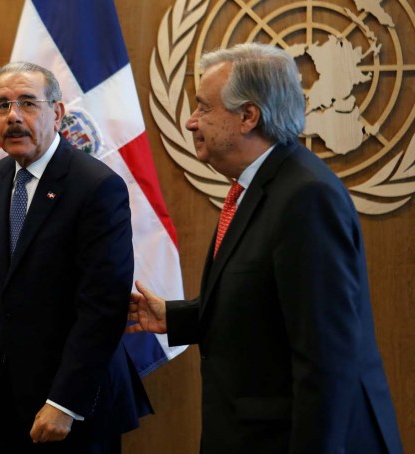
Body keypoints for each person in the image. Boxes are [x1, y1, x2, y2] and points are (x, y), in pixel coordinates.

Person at [126, 43, 403, 453]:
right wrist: (178, 317)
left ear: (248, 116)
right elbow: (264, 302)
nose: (190, 121)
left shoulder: (306, 197)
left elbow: (325, 357)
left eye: (203, 107)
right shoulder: (258, 186)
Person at [0, 61, 151, 454]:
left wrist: (65, 402)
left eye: (28, 103)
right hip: (0, 395)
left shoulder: (96, 186)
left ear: (57, 113)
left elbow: (103, 306)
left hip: (73, 400)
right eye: (2, 106)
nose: (13, 117)